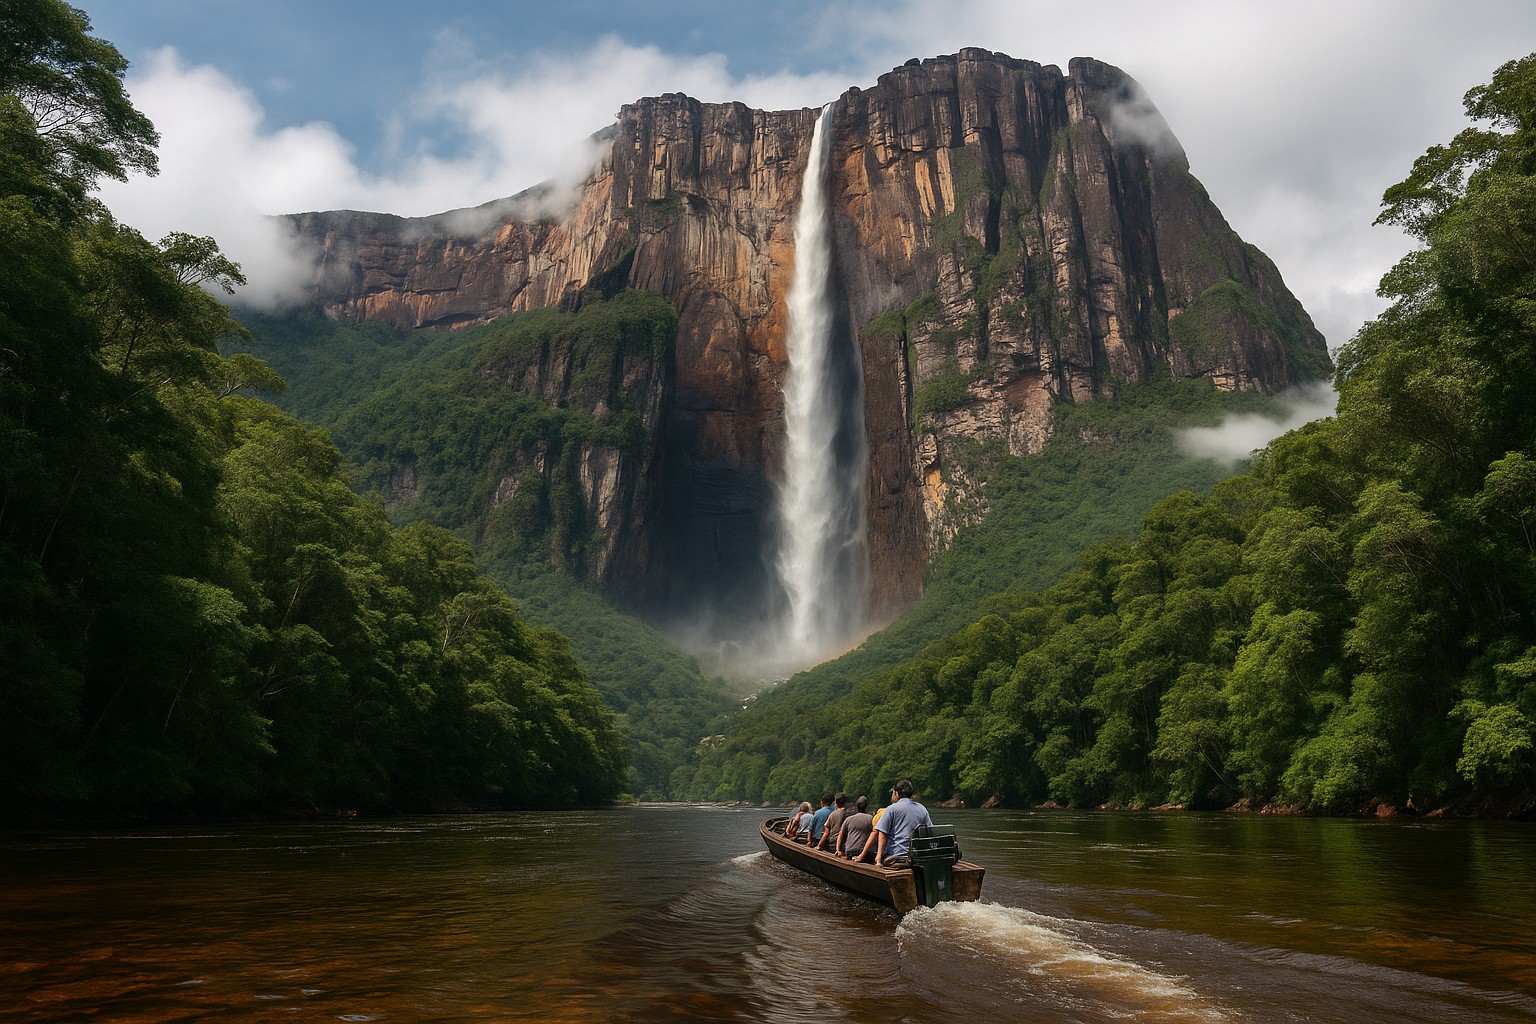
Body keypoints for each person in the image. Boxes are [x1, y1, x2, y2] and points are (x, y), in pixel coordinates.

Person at [861, 779, 932, 867]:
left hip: (895, 856)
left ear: (896, 794)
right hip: (916, 857)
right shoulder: (922, 809)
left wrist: (878, 858)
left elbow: (882, 833)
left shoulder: (891, 809)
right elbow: (929, 831)